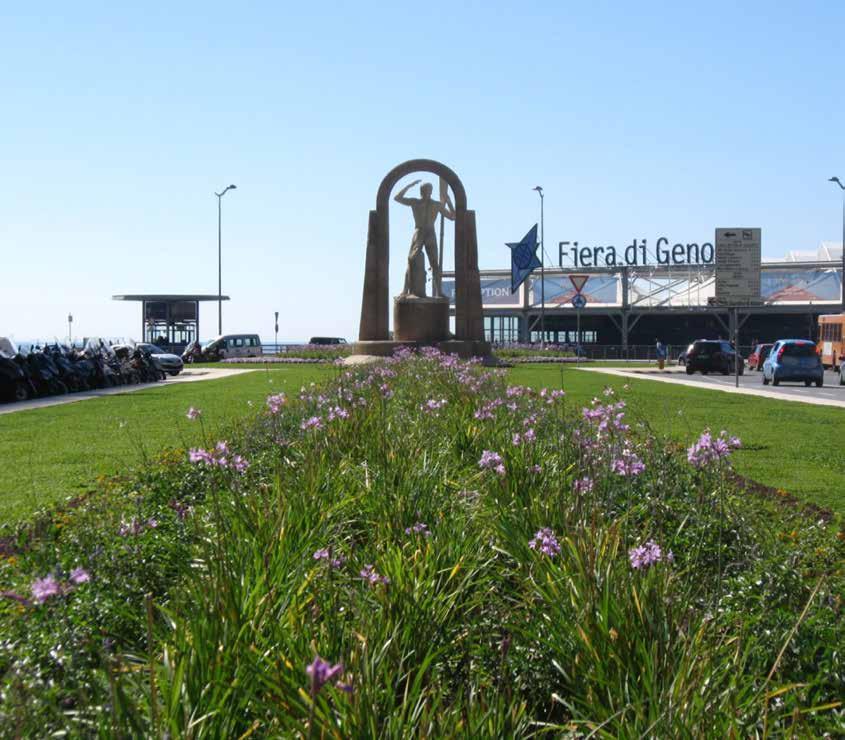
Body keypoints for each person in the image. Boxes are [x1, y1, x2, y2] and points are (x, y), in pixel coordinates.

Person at [394, 179, 455, 298]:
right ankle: (405, 290)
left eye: (427, 190)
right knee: (411, 259)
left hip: (430, 233)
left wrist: (449, 202)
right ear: (421, 191)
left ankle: (439, 292)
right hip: (419, 231)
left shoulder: (436, 205)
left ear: (431, 191)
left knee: (434, 264)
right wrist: (409, 185)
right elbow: (397, 198)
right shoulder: (415, 202)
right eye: (423, 190)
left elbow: (452, 217)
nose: (425, 192)